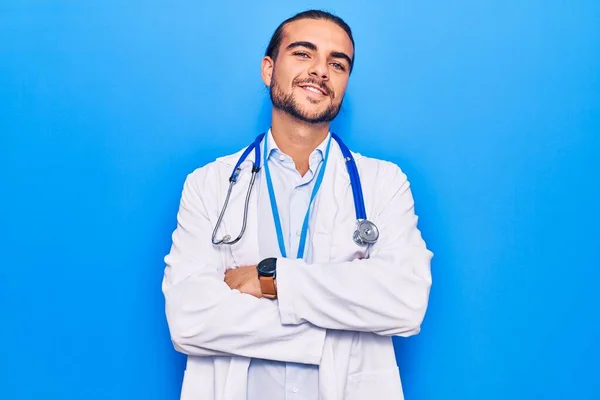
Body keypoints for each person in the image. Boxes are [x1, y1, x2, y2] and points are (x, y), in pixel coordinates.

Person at [162, 9, 433, 400]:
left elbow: (406, 302)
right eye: (304, 54)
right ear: (268, 69)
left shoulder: (383, 184)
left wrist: (272, 279)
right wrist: (334, 331)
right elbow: (188, 319)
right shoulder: (209, 184)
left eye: (337, 63)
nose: (321, 71)